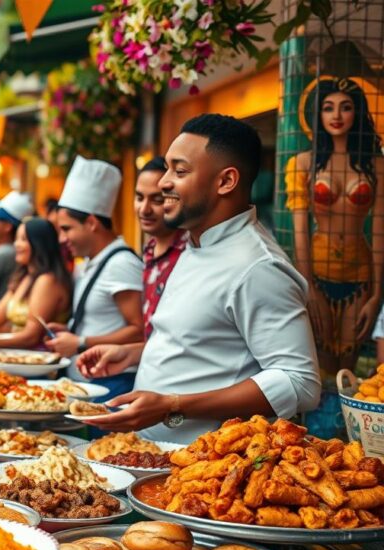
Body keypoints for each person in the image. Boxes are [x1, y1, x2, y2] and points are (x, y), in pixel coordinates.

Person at [77, 114, 321, 443]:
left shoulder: (258, 266)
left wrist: (173, 405)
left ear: (226, 181)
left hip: (198, 463)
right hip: (147, 451)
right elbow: (204, 343)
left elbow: (300, 382)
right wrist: (134, 354)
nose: (164, 183)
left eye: (179, 171)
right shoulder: (196, 242)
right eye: (167, 169)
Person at [287, 77, 384, 373]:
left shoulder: (377, 165)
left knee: (348, 364)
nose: (337, 115)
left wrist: (377, 294)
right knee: (321, 361)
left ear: (358, 112)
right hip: (316, 271)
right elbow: (300, 231)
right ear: (318, 114)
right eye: (328, 107)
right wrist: (307, 287)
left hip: (360, 273)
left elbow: (379, 229)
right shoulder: (303, 163)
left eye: (346, 107)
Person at [44, 158, 144, 400]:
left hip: (112, 382)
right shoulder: (92, 261)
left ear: (91, 223)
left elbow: (139, 329)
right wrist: (70, 330)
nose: (62, 239)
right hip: (88, 383)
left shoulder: (121, 263)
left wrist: (80, 342)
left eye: (67, 229)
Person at [0, 218, 73, 348]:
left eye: (23, 239)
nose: (16, 244)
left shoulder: (47, 280)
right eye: (17, 239)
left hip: (37, 358)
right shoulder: (23, 277)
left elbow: (31, 336)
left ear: (39, 244)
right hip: (18, 355)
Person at [135, 157, 189, 339]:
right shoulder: (149, 249)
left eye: (157, 200)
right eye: (139, 198)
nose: (144, 209)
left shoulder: (190, 251)